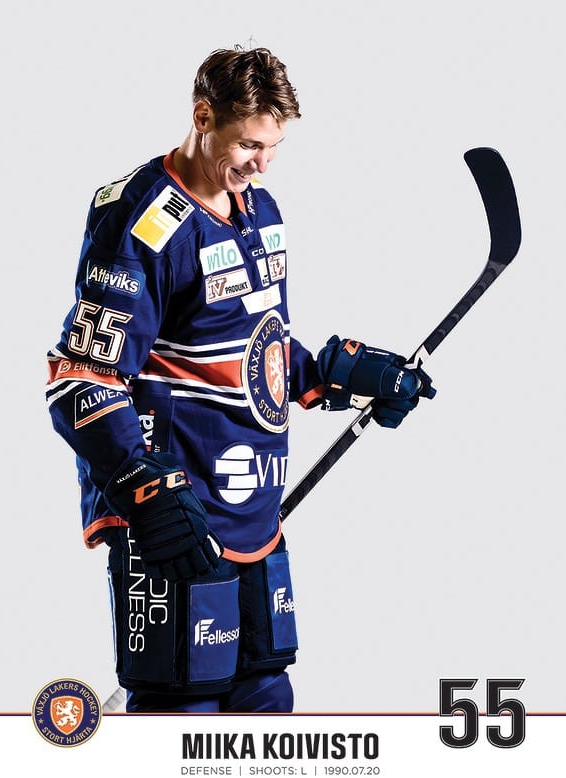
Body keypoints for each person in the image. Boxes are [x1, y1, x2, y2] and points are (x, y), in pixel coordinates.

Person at [46, 45, 435, 713]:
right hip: (179, 516)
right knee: (184, 716)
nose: (262, 164)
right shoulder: (142, 221)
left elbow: (257, 348)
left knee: (266, 698)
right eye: (250, 144)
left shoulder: (260, 210)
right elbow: (81, 378)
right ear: (203, 117)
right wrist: (144, 489)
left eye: (274, 147)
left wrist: (345, 374)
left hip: (255, 513)